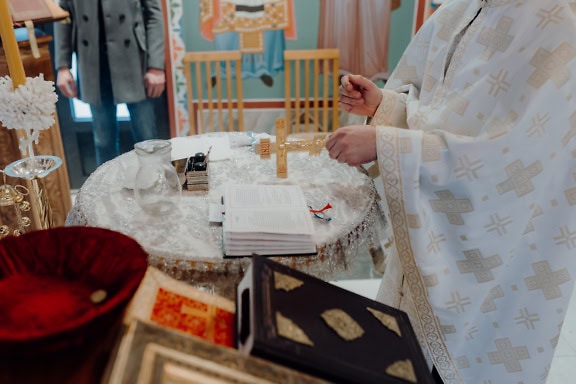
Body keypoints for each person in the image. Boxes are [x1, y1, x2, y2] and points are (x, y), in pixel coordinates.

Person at [326, 0, 576, 383]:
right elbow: (440, 113)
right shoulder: (459, 9)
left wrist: (385, 145)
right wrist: (383, 105)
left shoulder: (557, 25)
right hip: (430, 240)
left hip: (490, 261)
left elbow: (513, 164)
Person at [54, 0, 166, 165]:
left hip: (134, 62)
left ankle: (156, 186)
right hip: (93, 66)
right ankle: (107, 189)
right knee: (103, 142)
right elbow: (63, 16)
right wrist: (63, 66)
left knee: (147, 137)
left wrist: (156, 66)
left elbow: (154, 15)